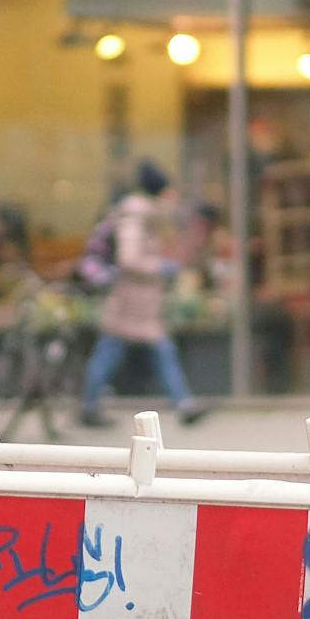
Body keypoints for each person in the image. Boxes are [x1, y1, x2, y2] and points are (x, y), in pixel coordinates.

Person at [80, 161, 209, 428]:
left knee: (151, 351)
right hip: (129, 301)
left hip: (139, 303)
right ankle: (90, 405)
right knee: (119, 353)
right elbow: (129, 259)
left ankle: (182, 403)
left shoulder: (143, 216)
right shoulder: (135, 218)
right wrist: (160, 267)